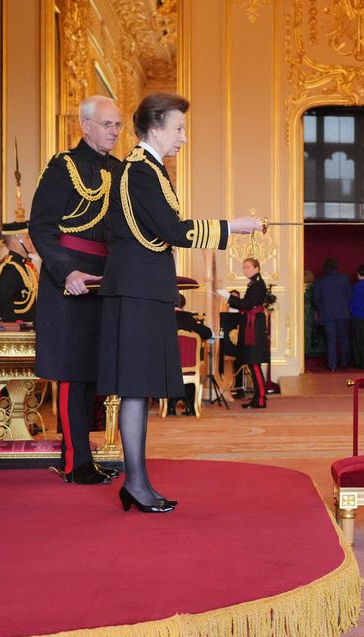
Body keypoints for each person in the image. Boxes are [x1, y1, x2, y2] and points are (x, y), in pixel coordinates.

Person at [97, 92, 261, 512]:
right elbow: (173, 230)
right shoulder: (141, 172)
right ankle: (136, 483)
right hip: (136, 291)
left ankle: (137, 482)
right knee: (135, 389)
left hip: (143, 289)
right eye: (179, 128)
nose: (183, 138)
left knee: (138, 390)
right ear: (155, 128)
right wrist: (232, 227)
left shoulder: (146, 169)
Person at [29, 95, 123, 485]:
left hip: (108, 278)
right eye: (107, 124)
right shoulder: (62, 167)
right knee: (72, 372)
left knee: (94, 372)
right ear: (85, 125)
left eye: (118, 125)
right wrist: (66, 271)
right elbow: (41, 227)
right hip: (69, 280)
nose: (115, 132)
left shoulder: (120, 171)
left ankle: (86, 456)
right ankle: (75, 463)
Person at [220, 258, 270, 409]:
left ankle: (260, 399)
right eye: (243, 268)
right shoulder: (254, 283)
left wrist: (229, 298)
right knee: (252, 362)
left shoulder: (257, 284)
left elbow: (248, 304)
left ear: (256, 268)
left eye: (247, 267)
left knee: (254, 363)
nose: (245, 270)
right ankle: (258, 398)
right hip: (252, 325)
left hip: (253, 327)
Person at [167, 293, 213, 416]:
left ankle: (170, 408)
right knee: (188, 370)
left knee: (171, 371)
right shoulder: (188, 318)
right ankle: (190, 408)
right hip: (189, 365)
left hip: (168, 365)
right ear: (184, 305)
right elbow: (208, 333)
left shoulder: (164, 318)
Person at [311, 257, 351, 371]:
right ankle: (345, 363)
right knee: (344, 340)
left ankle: (332, 365)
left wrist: (321, 310)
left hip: (327, 314)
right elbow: (349, 297)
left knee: (331, 341)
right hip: (342, 313)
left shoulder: (320, 281)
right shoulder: (344, 279)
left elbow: (316, 298)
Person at [0, 222, 38, 323]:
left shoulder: (25, 267)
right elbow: (2, 306)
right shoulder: (9, 268)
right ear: (16, 240)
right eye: (27, 237)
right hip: (15, 335)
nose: (32, 241)